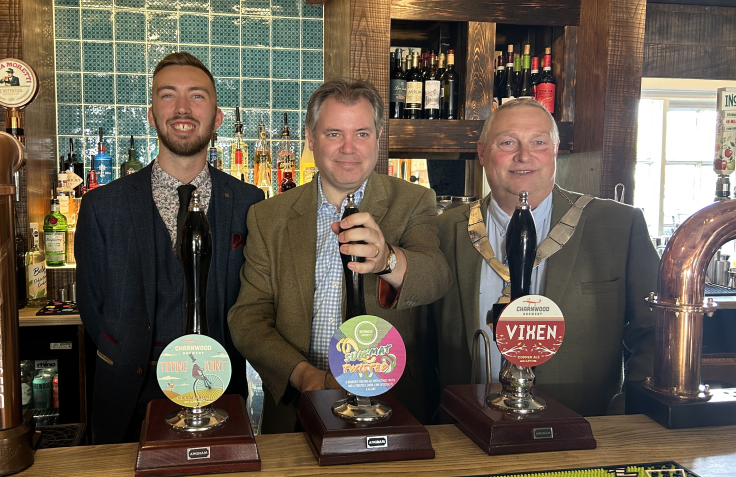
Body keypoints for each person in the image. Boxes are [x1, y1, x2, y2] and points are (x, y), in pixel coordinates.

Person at [227, 79, 451, 433]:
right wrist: (305, 376)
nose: (349, 148)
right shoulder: (269, 216)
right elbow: (248, 318)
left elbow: (436, 276)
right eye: (334, 133)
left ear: (378, 137)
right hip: (297, 411)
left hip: (391, 407)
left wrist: (388, 260)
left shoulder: (413, 201)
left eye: (361, 133)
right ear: (311, 138)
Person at [76, 52, 264, 444]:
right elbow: (93, 306)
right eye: (167, 95)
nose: (182, 108)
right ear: (150, 113)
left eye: (197, 96)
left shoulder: (249, 201)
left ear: (217, 118)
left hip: (221, 392)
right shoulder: (102, 206)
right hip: (128, 397)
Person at [429, 98, 657, 418]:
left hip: (583, 432)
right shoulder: (443, 229)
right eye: (507, 142)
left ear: (555, 150)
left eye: (538, 142)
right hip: (464, 433)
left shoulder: (619, 225)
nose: (524, 155)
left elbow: (654, 332)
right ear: (482, 153)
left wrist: (631, 411)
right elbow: (420, 344)